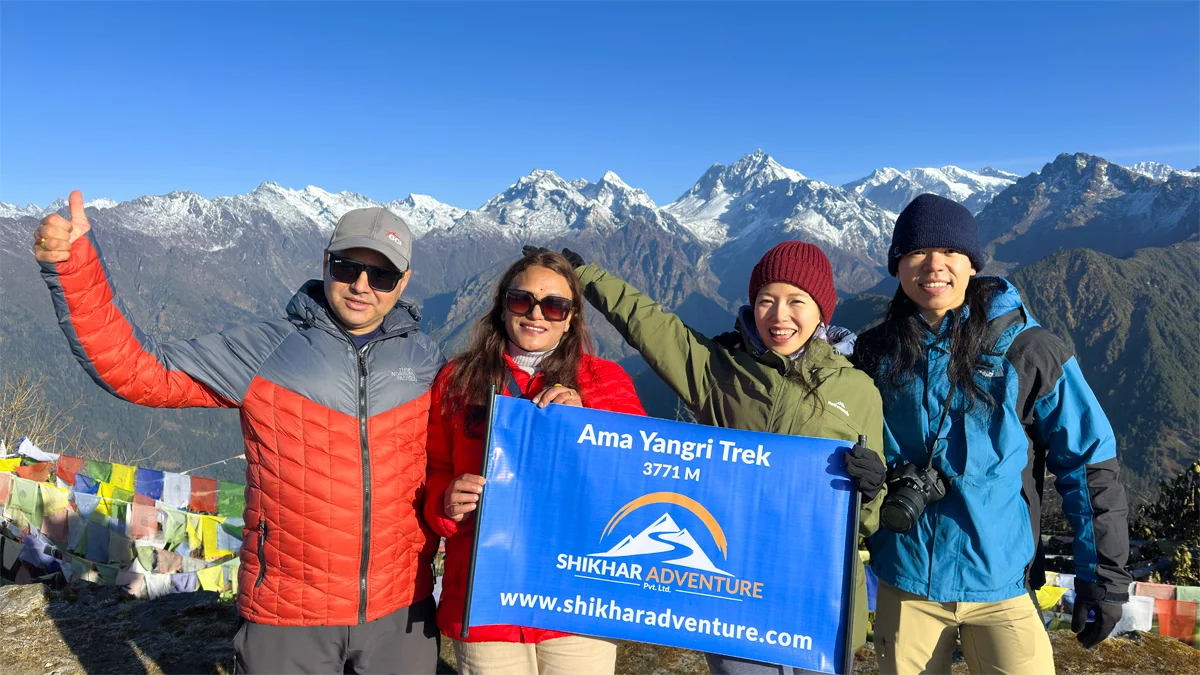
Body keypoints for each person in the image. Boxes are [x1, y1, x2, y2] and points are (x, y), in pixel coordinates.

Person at [33, 193, 443, 674]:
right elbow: (139, 369)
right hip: (289, 609)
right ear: (326, 263)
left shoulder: (425, 361)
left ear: (405, 282)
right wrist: (76, 269)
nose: (361, 285)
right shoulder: (264, 350)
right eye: (347, 266)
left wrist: (557, 389)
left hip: (401, 611)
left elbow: (493, 419)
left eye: (383, 275)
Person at [557, 241, 887, 674]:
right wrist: (587, 276)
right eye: (766, 300)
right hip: (733, 594)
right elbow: (652, 326)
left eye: (796, 301)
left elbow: (868, 520)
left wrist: (871, 487)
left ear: (823, 308)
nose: (779, 316)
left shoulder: (858, 390)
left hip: (816, 600)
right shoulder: (719, 371)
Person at [853, 194, 1132, 675]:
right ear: (898, 266)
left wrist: (1102, 578)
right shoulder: (876, 352)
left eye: (950, 252)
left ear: (973, 264)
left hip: (1001, 582)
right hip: (905, 577)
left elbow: (1088, 463)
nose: (934, 266)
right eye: (917, 252)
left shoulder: (1028, 350)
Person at [423, 249, 646, 675]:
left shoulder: (606, 383)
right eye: (522, 300)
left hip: (578, 601)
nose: (536, 314)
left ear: (571, 317)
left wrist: (589, 424)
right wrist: (446, 503)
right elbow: (433, 472)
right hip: (487, 599)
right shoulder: (457, 380)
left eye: (554, 305)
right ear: (503, 306)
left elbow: (634, 480)